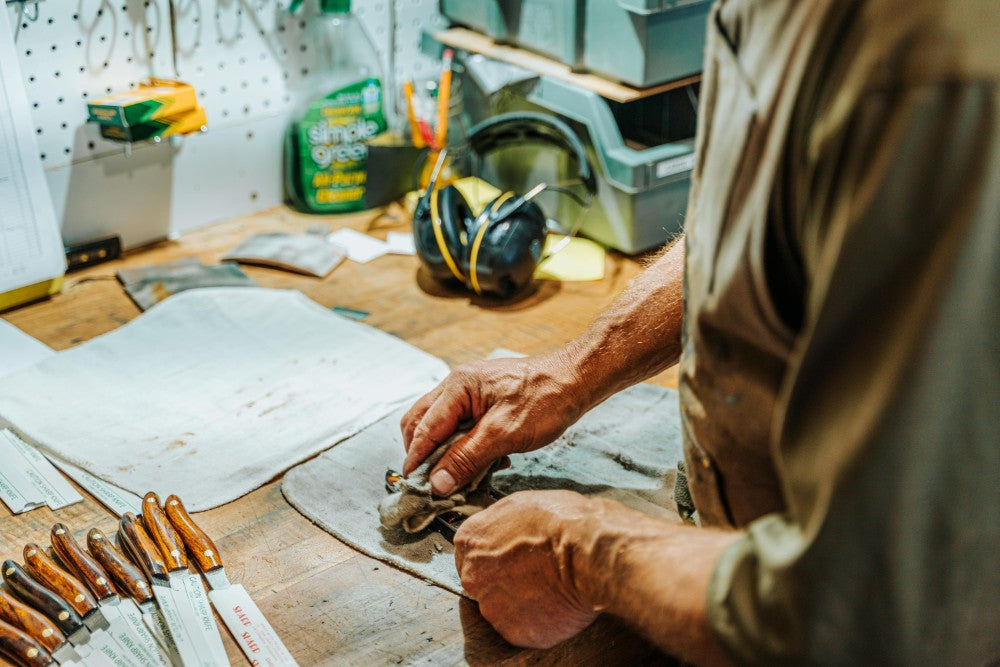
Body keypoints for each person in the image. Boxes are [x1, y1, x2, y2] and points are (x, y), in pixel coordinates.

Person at [400, 0, 999, 663]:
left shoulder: (940, 63)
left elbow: (879, 614)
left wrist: (585, 553)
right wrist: (571, 370)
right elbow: (773, 223)